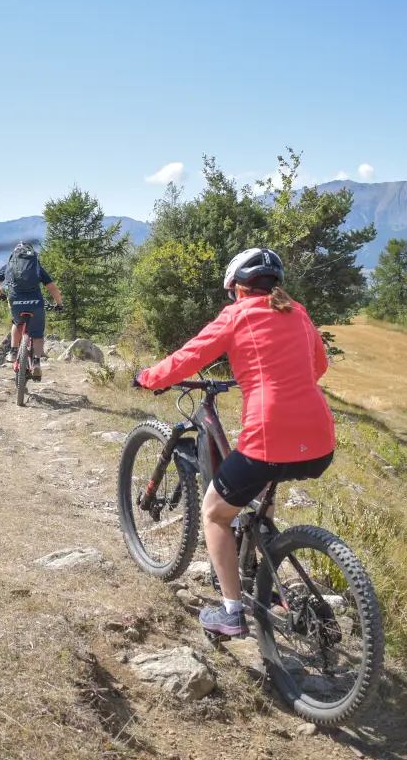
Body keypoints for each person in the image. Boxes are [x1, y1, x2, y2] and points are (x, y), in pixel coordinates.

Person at [132, 247, 336, 638]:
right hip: (320, 439)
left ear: (238, 289)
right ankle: (262, 568)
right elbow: (318, 368)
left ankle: (230, 612)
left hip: (270, 433)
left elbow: (187, 358)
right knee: (259, 494)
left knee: (214, 513)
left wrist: (148, 378)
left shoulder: (237, 314)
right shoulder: (299, 312)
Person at [0, 242, 65, 381]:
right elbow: (52, 288)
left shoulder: (9, 265)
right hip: (35, 302)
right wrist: (59, 304)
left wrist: (0, 295)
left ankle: (13, 351)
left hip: (16, 301)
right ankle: (36, 361)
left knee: (17, 323)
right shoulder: (36, 266)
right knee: (37, 335)